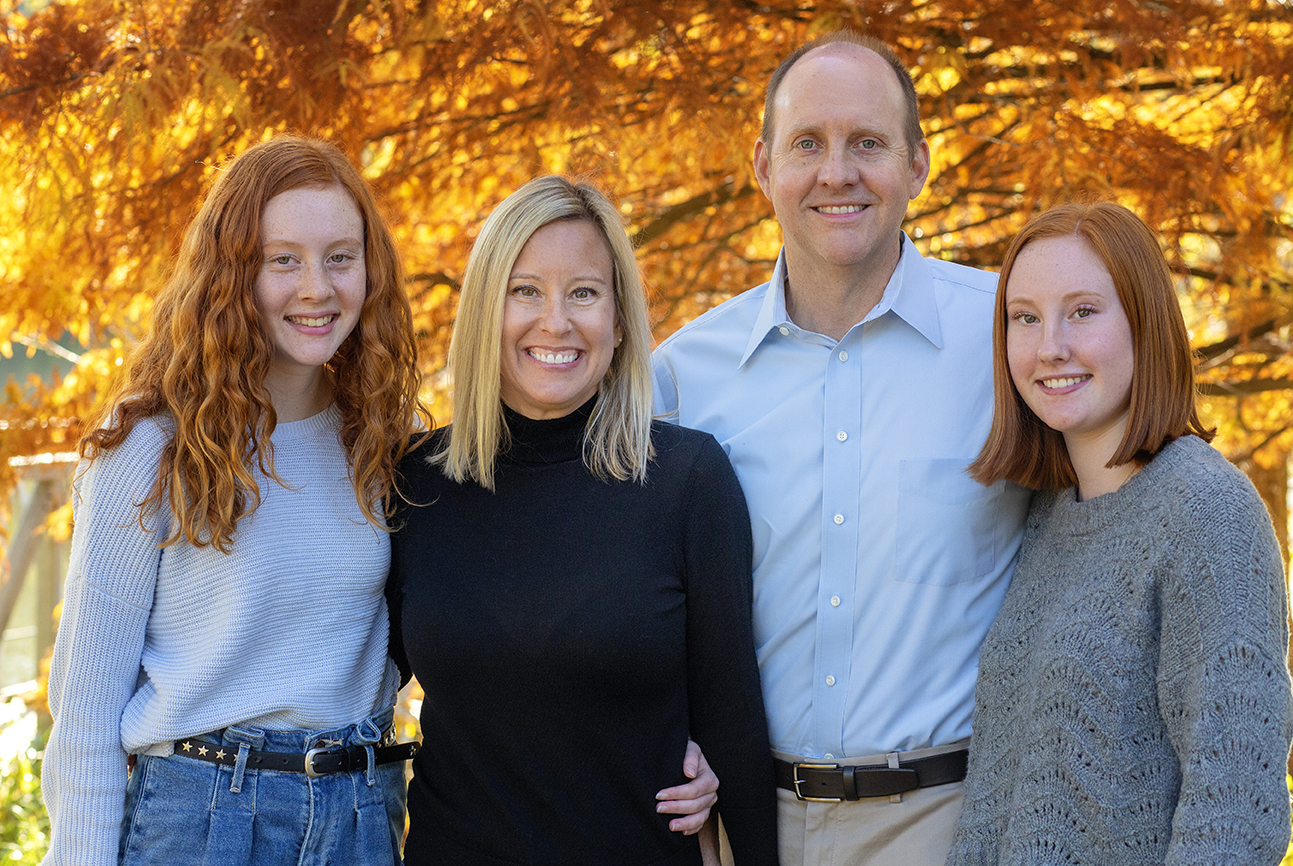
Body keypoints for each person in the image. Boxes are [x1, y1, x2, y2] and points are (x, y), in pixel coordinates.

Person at [653, 29, 1031, 866]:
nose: (837, 173)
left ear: (917, 165)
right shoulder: (682, 377)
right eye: (807, 145)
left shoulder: (1007, 339)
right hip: (742, 827)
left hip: (948, 824)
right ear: (761, 167)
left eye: (867, 143)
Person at [41, 136, 427, 865]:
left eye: (340, 257)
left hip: (362, 816)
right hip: (204, 818)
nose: (317, 287)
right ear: (230, 275)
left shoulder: (387, 439)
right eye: (283, 260)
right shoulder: (151, 448)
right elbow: (87, 715)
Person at [385, 175, 779, 865]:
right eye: (525, 291)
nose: (556, 322)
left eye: (585, 293)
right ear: (483, 312)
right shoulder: (417, 484)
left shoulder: (685, 479)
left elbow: (732, 722)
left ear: (620, 320)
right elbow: (346, 683)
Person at [947, 201, 1293, 864]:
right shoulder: (1048, 514)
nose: (1050, 345)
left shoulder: (1205, 511)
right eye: (1025, 317)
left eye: (1081, 311)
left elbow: (1234, 811)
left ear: (1143, 321)